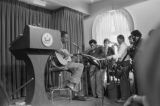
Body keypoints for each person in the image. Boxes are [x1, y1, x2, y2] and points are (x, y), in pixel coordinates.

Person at [52, 31, 85, 100]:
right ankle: (69, 85)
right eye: (66, 38)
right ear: (61, 37)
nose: (67, 40)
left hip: (64, 63)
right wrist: (65, 54)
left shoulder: (61, 46)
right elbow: (54, 49)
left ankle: (70, 87)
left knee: (76, 71)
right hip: (58, 64)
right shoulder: (57, 43)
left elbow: (66, 58)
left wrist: (72, 56)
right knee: (81, 66)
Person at [107, 35, 131, 102]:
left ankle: (124, 98)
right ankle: (125, 97)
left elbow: (119, 55)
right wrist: (115, 45)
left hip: (125, 64)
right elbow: (120, 50)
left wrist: (111, 56)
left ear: (121, 39)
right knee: (124, 81)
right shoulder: (122, 45)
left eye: (118, 40)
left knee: (124, 82)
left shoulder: (123, 46)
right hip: (124, 64)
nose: (117, 41)